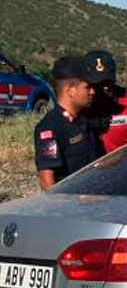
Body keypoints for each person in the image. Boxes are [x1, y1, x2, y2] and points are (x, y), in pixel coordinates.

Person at [34, 56, 100, 190]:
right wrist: (58, 208)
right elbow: (47, 177)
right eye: (87, 87)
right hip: (72, 203)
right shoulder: (51, 127)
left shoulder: (83, 120)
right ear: (70, 90)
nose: (92, 92)